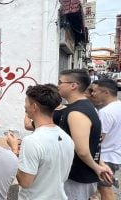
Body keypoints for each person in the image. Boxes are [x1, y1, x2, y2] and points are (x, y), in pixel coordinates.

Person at [7, 85, 75, 199]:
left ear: (34, 107)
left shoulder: (32, 141)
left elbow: (25, 182)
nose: (24, 106)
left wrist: (14, 151)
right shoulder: (67, 138)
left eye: (26, 102)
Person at [57, 69, 113, 199]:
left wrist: (97, 167)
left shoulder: (77, 112)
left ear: (73, 85)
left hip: (77, 176)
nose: (58, 85)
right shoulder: (82, 106)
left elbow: (82, 150)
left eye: (60, 82)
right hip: (78, 175)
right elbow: (93, 142)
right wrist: (99, 163)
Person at [91, 79, 121, 200]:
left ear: (106, 92)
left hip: (105, 157)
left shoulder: (105, 112)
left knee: (105, 190)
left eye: (95, 91)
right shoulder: (118, 106)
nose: (93, 93)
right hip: (115, 154)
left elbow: (98, 139)